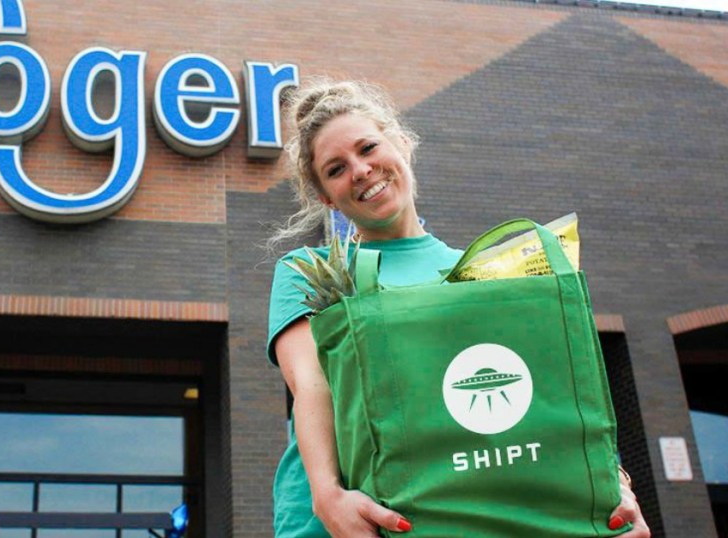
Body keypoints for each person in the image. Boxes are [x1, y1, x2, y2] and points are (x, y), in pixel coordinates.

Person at [265, 78, 651, 538]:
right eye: (336, 168)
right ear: (326, 197)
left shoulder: (488, 273)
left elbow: (556, 390)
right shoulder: (311, 270)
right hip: (348, 519)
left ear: (402, 144)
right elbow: (312, 386)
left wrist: (613, 486)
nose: (361, 170)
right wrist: (328, 497)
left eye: (368, 148)